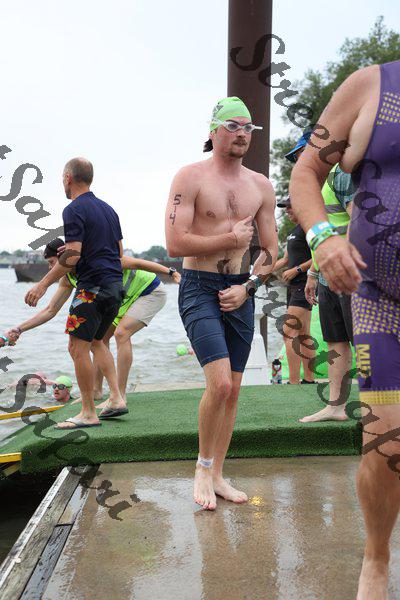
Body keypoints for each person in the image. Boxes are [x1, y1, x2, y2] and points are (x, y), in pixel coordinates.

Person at [290, 60, 400, 599]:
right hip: (381, 298)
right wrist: (323, 238)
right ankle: (376, 558)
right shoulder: (372, 86)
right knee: (385, 438)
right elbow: (305, 172)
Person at [165, 96, 278, 510]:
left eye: (248, 127)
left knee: (234, 391)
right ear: (213, 131)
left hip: (239, 291)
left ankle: (218, 475)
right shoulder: (190, 177)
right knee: (220, 384)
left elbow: (272, 251)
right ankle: (202, 466)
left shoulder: (260, 185)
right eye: (233, 126)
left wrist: (249, 286)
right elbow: (175, 243)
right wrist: (229, 239)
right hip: (199, 286)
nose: (242, 134)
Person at [10, 238, 177, 407]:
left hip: (149, 292)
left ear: (64, 258)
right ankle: (96, 391)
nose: (50, 268)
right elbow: (50, 310)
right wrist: (19, 329)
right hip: (120, 302)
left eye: (52, 262)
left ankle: (120, 396)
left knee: (121, 334)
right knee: (99, 340)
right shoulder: (67, 278)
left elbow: (138, 263)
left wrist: (171, 272)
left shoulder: (99, 262)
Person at [25, 157, 125, 429]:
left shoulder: (73, 209)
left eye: (62, 177)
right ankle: (116, 398)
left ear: (68, 177)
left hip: (91, 289)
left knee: (76, 347)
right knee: (97, 342)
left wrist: (42, 284)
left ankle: (88, 412)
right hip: (115, 287)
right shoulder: (109, 210)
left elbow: (72, 255)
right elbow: (117, 253)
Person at [287, 133, 356, 421]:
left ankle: (384, 410)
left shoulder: (342, 174)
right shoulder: (316, 188)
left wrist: (343, 266)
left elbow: (359, 224)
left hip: (351, 276)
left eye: (300, 155)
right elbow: (323, 236)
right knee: (335, 341)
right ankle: (336, 406)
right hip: (327, 277)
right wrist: (314, 273)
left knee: (366, 343)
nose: (299, 163)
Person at [272, 196, 314, 384]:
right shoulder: (293, 232)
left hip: (305, 285)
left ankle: (294, 382)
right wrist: (262, 271)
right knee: (304, 334)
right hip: (293, 287)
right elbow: (286, 260)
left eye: (290, 207)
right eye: (285, 207)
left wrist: (297, 270)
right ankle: (309, 379)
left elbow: (319, 256)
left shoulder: (309, 228)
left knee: (288, 331)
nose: (287, 210)